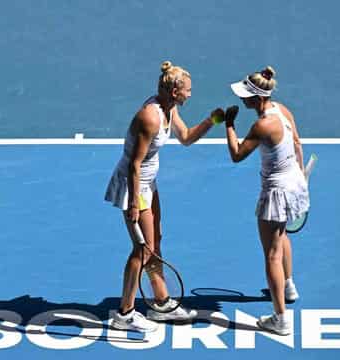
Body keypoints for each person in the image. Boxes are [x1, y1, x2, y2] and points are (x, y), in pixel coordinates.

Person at [105, 60, 224, 332]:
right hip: (134, 186)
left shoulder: (168, 110)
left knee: (154, 242)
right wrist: (134, 203)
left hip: (148, 184)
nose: (190, 94)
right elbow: (135, 164)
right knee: (142, 249)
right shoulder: (150, 117)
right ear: (174, 92)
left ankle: (160, 302)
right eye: (188, 90)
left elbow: (186, 138)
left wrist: (212, 120)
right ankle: (125, 313)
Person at [225, 66, 309, 335]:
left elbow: (237, 154)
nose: (242, 99)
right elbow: (296, 143)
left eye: (246, 95)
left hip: (276, 190)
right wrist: (300, 178)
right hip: (295, 182)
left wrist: (228, 124)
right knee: (282, 235)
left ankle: (280, 319)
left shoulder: (262, 125)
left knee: (271, 254)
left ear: (258, 98)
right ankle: (288, 286)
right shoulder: (282, 110)